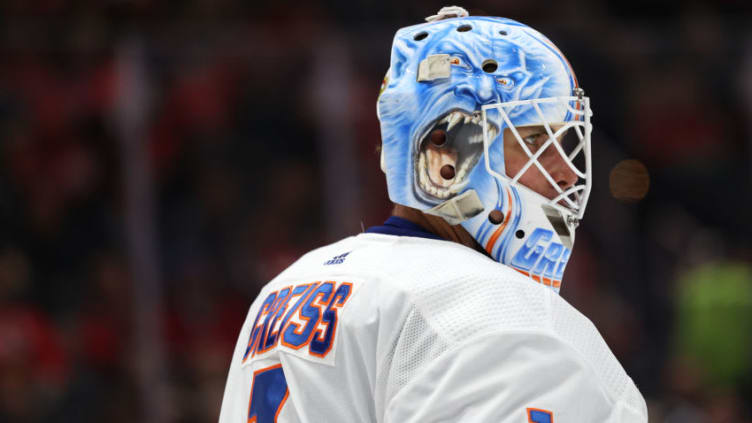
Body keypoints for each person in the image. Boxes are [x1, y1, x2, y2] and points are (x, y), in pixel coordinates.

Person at [219, 6, 647, 422]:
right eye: (534, 141)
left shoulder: (287, 288)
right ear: (445, 154)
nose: (566, 174)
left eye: (566, 143)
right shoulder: (498, 311)